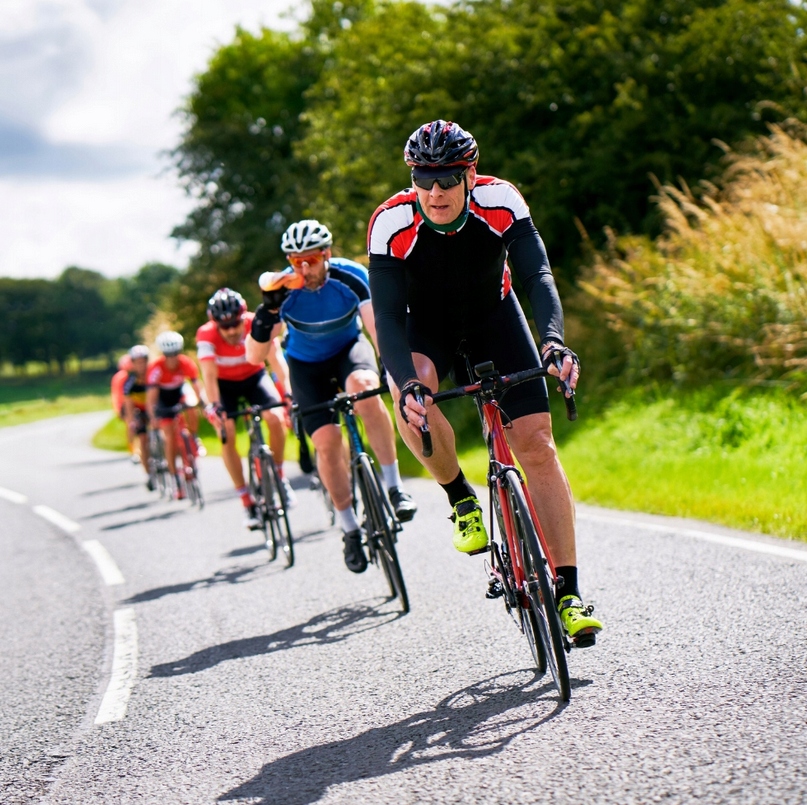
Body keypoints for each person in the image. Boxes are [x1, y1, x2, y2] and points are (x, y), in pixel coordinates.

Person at [366, 120, 601, 643]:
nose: (435, 192)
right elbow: (387, 318)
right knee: (411, 395)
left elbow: (537, 275)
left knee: (537, 445)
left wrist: (553, 342)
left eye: (447, 179)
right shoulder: (391, 222)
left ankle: (568, 594)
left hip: (495, 317)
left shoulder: (501, 200)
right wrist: (407, 385)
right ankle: (460, 498)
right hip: (425, 328)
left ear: (470, 174)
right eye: (423, 179)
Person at [246, 219, 418, 573]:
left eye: (310, 260)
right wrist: (267, 313)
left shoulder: (350, 275)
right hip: (306, 366)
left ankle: (394, 486)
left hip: (348, 351)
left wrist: (393, 371)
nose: (303, 269)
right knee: (326, 442)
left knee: (364, 387)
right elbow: (254, 356)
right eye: (296, 262)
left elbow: (375, 327)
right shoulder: (285, 289)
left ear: (326, 254)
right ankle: (349, 528)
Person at [197, 287, 295, 528]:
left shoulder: (256, 322)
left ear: (243, 317)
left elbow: (276, 361)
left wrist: (289, 393)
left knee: (275, 417)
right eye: (224, 326)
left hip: (254, 378)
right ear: (215, 324)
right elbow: (208, 375)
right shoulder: (206, 335)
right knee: (226, 431)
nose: (231, 330)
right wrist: (215, 406)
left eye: (235, 324)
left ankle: (278, 476)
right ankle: (246, 500)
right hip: (224, 385)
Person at [146, 331, 206, 500]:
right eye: (168, 355)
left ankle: (194, 436)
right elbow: (151, 397)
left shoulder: (185, 363)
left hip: (180, 392)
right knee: (169, 438)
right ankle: (176, 479)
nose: (172, 358)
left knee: (191, 406)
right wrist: (153, 416)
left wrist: (202, 403)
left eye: (175, 354)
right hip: (163, 399)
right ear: (163, 354)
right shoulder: (156, 368)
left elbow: (196, 385)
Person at [123, 344, 152, 488]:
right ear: (133, 364)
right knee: (143, 439)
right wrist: (132, 421)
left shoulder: (153, 375)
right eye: (138, 362)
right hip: (140, 412)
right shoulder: (130, 383)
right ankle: (148, 474)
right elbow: (128, 406)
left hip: (154, 408)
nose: (141, 365)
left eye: (143, 361)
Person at [111, 353, 138, 460]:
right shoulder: (120, 377)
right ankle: (133, 449)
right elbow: (117, 394)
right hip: (125, 405)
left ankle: (135, 449)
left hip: (135, 403)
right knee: (131, 425)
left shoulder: (135, 375)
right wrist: (119, 409)